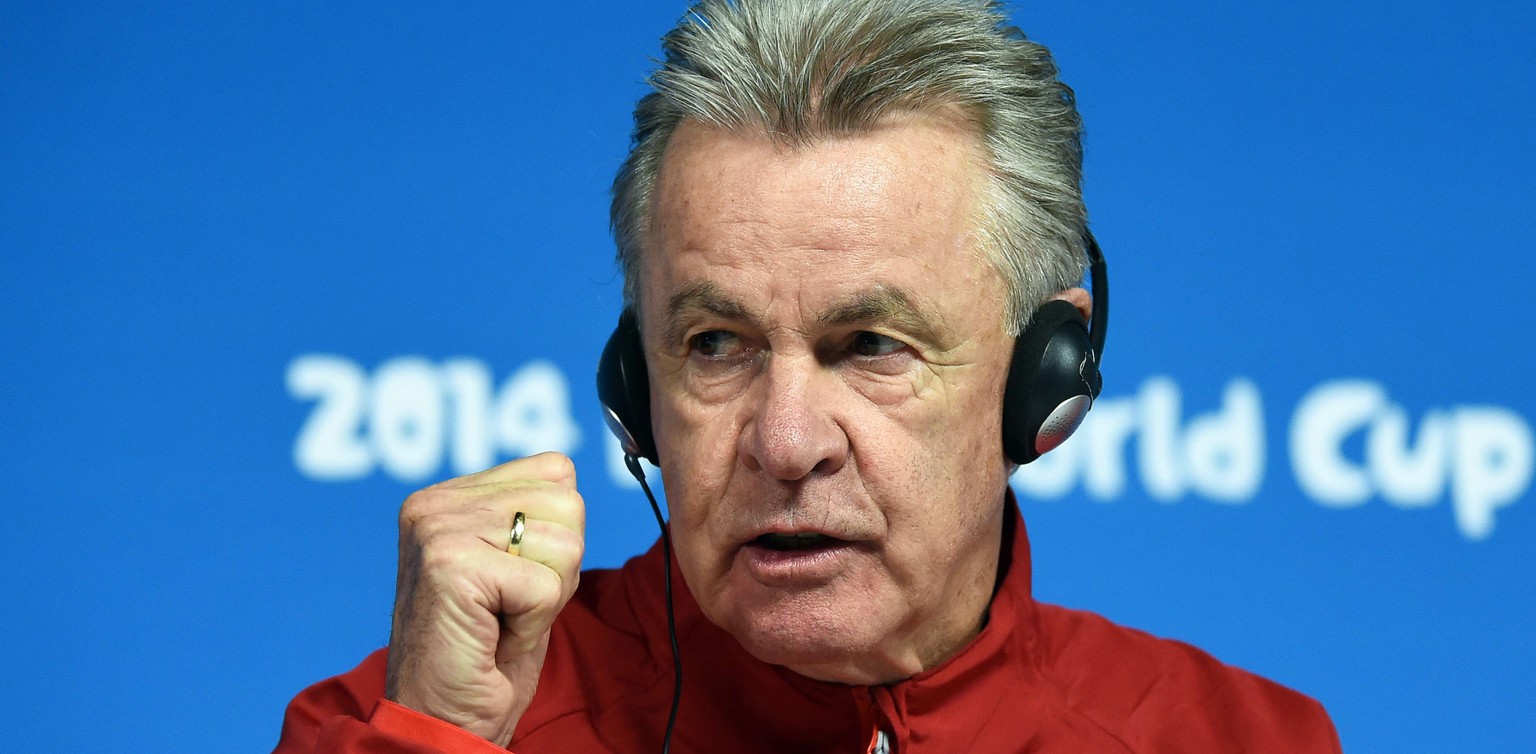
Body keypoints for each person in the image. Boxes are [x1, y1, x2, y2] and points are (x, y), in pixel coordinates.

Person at [276, 1, 1341, 751]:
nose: (786, 442)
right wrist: (439, 741)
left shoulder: (1234, 740)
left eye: (872, 344)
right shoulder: (393, 728)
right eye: (715, 345)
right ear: (634, 386)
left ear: (1044, 377)